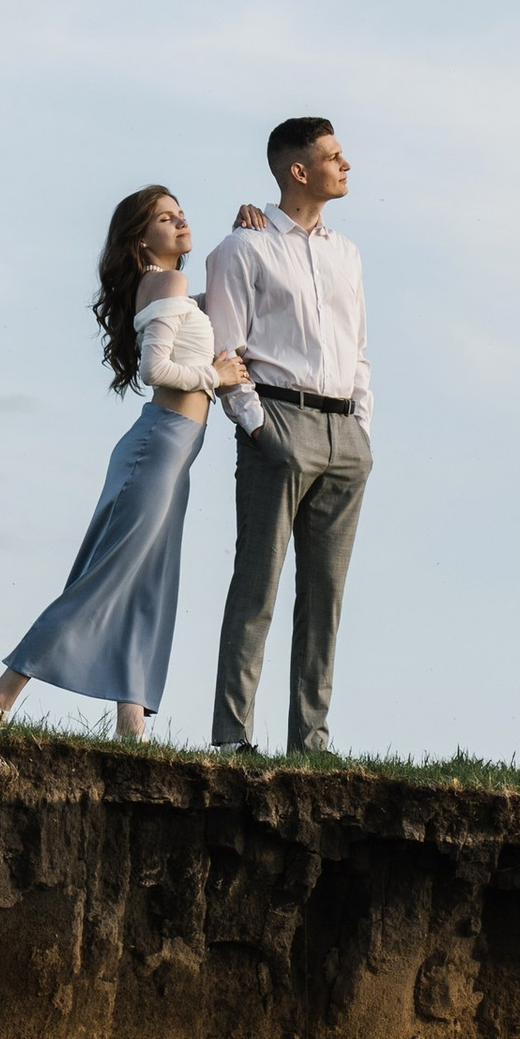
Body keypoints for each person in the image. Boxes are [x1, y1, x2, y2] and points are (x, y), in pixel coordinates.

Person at [0, 186, 249, 741]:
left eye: (180, 213)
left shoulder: (170, 287)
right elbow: (155, 369)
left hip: (174, 452)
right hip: (159, 446)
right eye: (164, 218)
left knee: (151, 585)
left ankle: (130, 728)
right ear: (141, 239)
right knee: (106, 580)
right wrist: (215, 378)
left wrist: (246, 228)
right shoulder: (168, 281)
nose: (179, 221)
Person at [199, 117, 371, 754]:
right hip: (279, 422)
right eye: (333, 156)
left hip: (343, 435)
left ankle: (311, 741)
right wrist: (258, 426)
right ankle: (230, 736)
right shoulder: (242, 248)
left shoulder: (347, 253)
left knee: (324, 597)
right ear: (299, 170)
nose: (346, 164)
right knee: (258, 586)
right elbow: (226, 346)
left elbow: (359, 353)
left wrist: (361, 429)